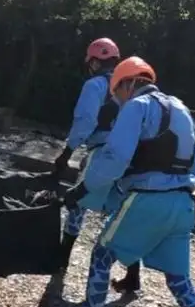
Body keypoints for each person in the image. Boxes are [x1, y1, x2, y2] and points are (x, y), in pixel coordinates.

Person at [53, 56, 195, 307]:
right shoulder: (180, 108)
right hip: (182, 205)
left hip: (148, 199)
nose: (118, 100)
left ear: (128, 83)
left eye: (118, 93)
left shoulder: (137, 106)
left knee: (101, 255)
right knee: (180, 282)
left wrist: (82, 190)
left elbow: (115, 157)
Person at [52, 38, 143, 293]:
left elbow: (85, 121)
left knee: (77, 205)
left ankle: (61, 261)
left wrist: (66, 152)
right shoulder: (132, 87)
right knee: (120, 211)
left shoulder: (95, 85)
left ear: (94, 62)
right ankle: (133, 274)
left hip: (101, 153)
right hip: (128, 156)